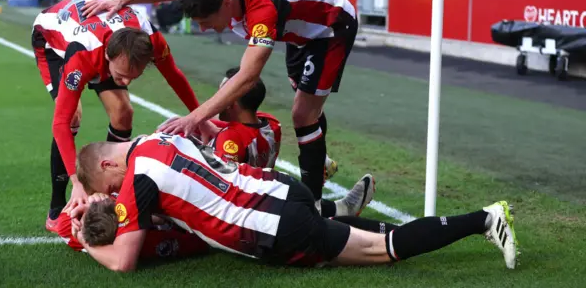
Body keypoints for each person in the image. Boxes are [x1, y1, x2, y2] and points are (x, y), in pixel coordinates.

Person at [81, 0, 358, 219]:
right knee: (306, 103)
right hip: (300, 29)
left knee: (302, 114)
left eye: (205, 21)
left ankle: (314, 207)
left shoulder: (263, 8)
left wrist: (194, 117)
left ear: (227, 3)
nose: (202, 29)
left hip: (330, 27)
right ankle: (318, 161)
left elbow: (248, 76)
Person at [71, 134, 518, 272]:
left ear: (111, 166)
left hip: (269, 227)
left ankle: (484, 218)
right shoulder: (161, 137)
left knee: (384, 250)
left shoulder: (137, 177)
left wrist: (87, 240)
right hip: (279, 189)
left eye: (111, 188)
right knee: (356, 235)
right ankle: (338, 212)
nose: (115, 196)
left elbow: (124, 260)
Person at [31, 0, 200, 231]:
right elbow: (59, 123)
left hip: (106, 34)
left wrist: (199, 116)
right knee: (71, 117)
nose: (126, 82)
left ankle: (106, 187)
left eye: (134, 76)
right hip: (52, 41)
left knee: (123, 112)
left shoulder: (151, 40)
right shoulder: (83, 55)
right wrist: (76, 182)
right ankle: (57, 207)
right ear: (108, 57)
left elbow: (174, 75)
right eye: (121, 75)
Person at [208, 67, 371, 218]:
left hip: (236, 213)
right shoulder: (271, 123)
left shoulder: (229, 139)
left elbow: (219, 190)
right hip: (258, 196)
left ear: (232, 103)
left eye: (220, 95)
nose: (215, 99)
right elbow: (240, 125)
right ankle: (341, 208)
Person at [57, 193, 209, 260]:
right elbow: (200, 243)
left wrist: (90, 196)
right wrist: (162, 219)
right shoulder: (145, 243)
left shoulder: (67, 222)